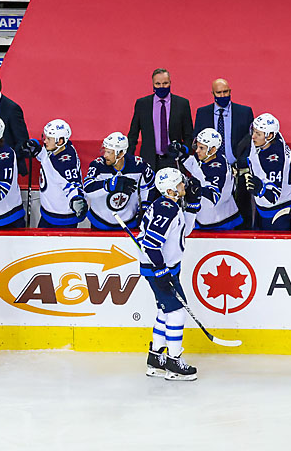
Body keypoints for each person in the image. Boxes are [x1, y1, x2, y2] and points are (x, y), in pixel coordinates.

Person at [138, 167, 199, 381]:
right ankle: (174, 363)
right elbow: (151, 245)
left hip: (167, 268)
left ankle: (156, 358)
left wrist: (192, 205)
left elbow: (185, 231)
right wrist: (160, 270)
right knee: (176, 313)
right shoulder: (166, 209)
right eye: (181, 183)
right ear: (172, 189)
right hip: (160, 270)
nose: (185, 185)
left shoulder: (170, 205)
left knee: (164, 312)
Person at [83, 132, 153, 230]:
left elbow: (149, 187)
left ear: (121, 153)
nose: (105, 156)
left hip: (129, 223)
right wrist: (108, 184)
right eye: (105, 151)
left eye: (109, 152)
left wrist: (145, 208)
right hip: (100, 222)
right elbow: (87, 189)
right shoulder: (97, 166)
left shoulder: (139, 166)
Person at [24, 119, 86, 228]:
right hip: (49, 214)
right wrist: (38, 150)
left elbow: (73, 186)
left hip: (62, 219)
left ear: (60, 141)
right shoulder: (57, 148)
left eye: (48, 139)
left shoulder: (65, 163)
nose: (45, 141)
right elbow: (47, 159)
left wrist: (77, 199)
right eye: (45, 137)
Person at [128, 68, 194, 171]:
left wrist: (184, 152)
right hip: (149, 160)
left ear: (170, 83)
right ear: (153, 84)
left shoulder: (182, 104)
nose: (161, 87)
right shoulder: (142, 104)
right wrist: (129, 158)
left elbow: (188, 134)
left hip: (174, 160)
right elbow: (133, 134)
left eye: (165, 83)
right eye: (158, 84)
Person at [242, 113, 291, 231]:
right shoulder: (270, 138)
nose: (253, 137)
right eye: (254, 131)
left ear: (270, 136)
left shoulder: (274, 160)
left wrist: (260, 188)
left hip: (279, 209)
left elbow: (273, 196)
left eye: (258, 134)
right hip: (266, 207)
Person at [181, 128, 242, 230]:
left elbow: (213, 196)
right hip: (205, 218)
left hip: (220, 222)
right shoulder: (209, 156)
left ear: (212, 150)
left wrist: (195, 187)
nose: (197, 151)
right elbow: (196, 166)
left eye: (201, 148)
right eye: (197, 146)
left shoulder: (217, 169)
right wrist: (182, 155)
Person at [193, 78, 254, 165]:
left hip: (237, 165)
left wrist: (243, 162)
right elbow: (197, 139)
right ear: (213, 93)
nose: (222, 96)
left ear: (230, 91)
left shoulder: (244, 112)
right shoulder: (203, 113)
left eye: (225, 92)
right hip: (210, 165)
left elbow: (250, 138)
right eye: (218, 93)